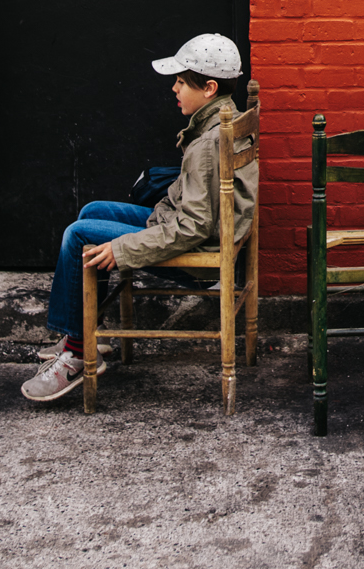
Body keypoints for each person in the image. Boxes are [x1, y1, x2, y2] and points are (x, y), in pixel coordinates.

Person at [21, 33, 257, 402]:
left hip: (200, 255)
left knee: (79, 234)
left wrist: (125, 248)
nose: (174, 89)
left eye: (181, 81)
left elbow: (193, 226)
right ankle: (80, 336)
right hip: (197, 228)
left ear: (209, 87)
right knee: (92, 212)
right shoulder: (227, 119)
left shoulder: (207, 146)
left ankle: (78, 354)